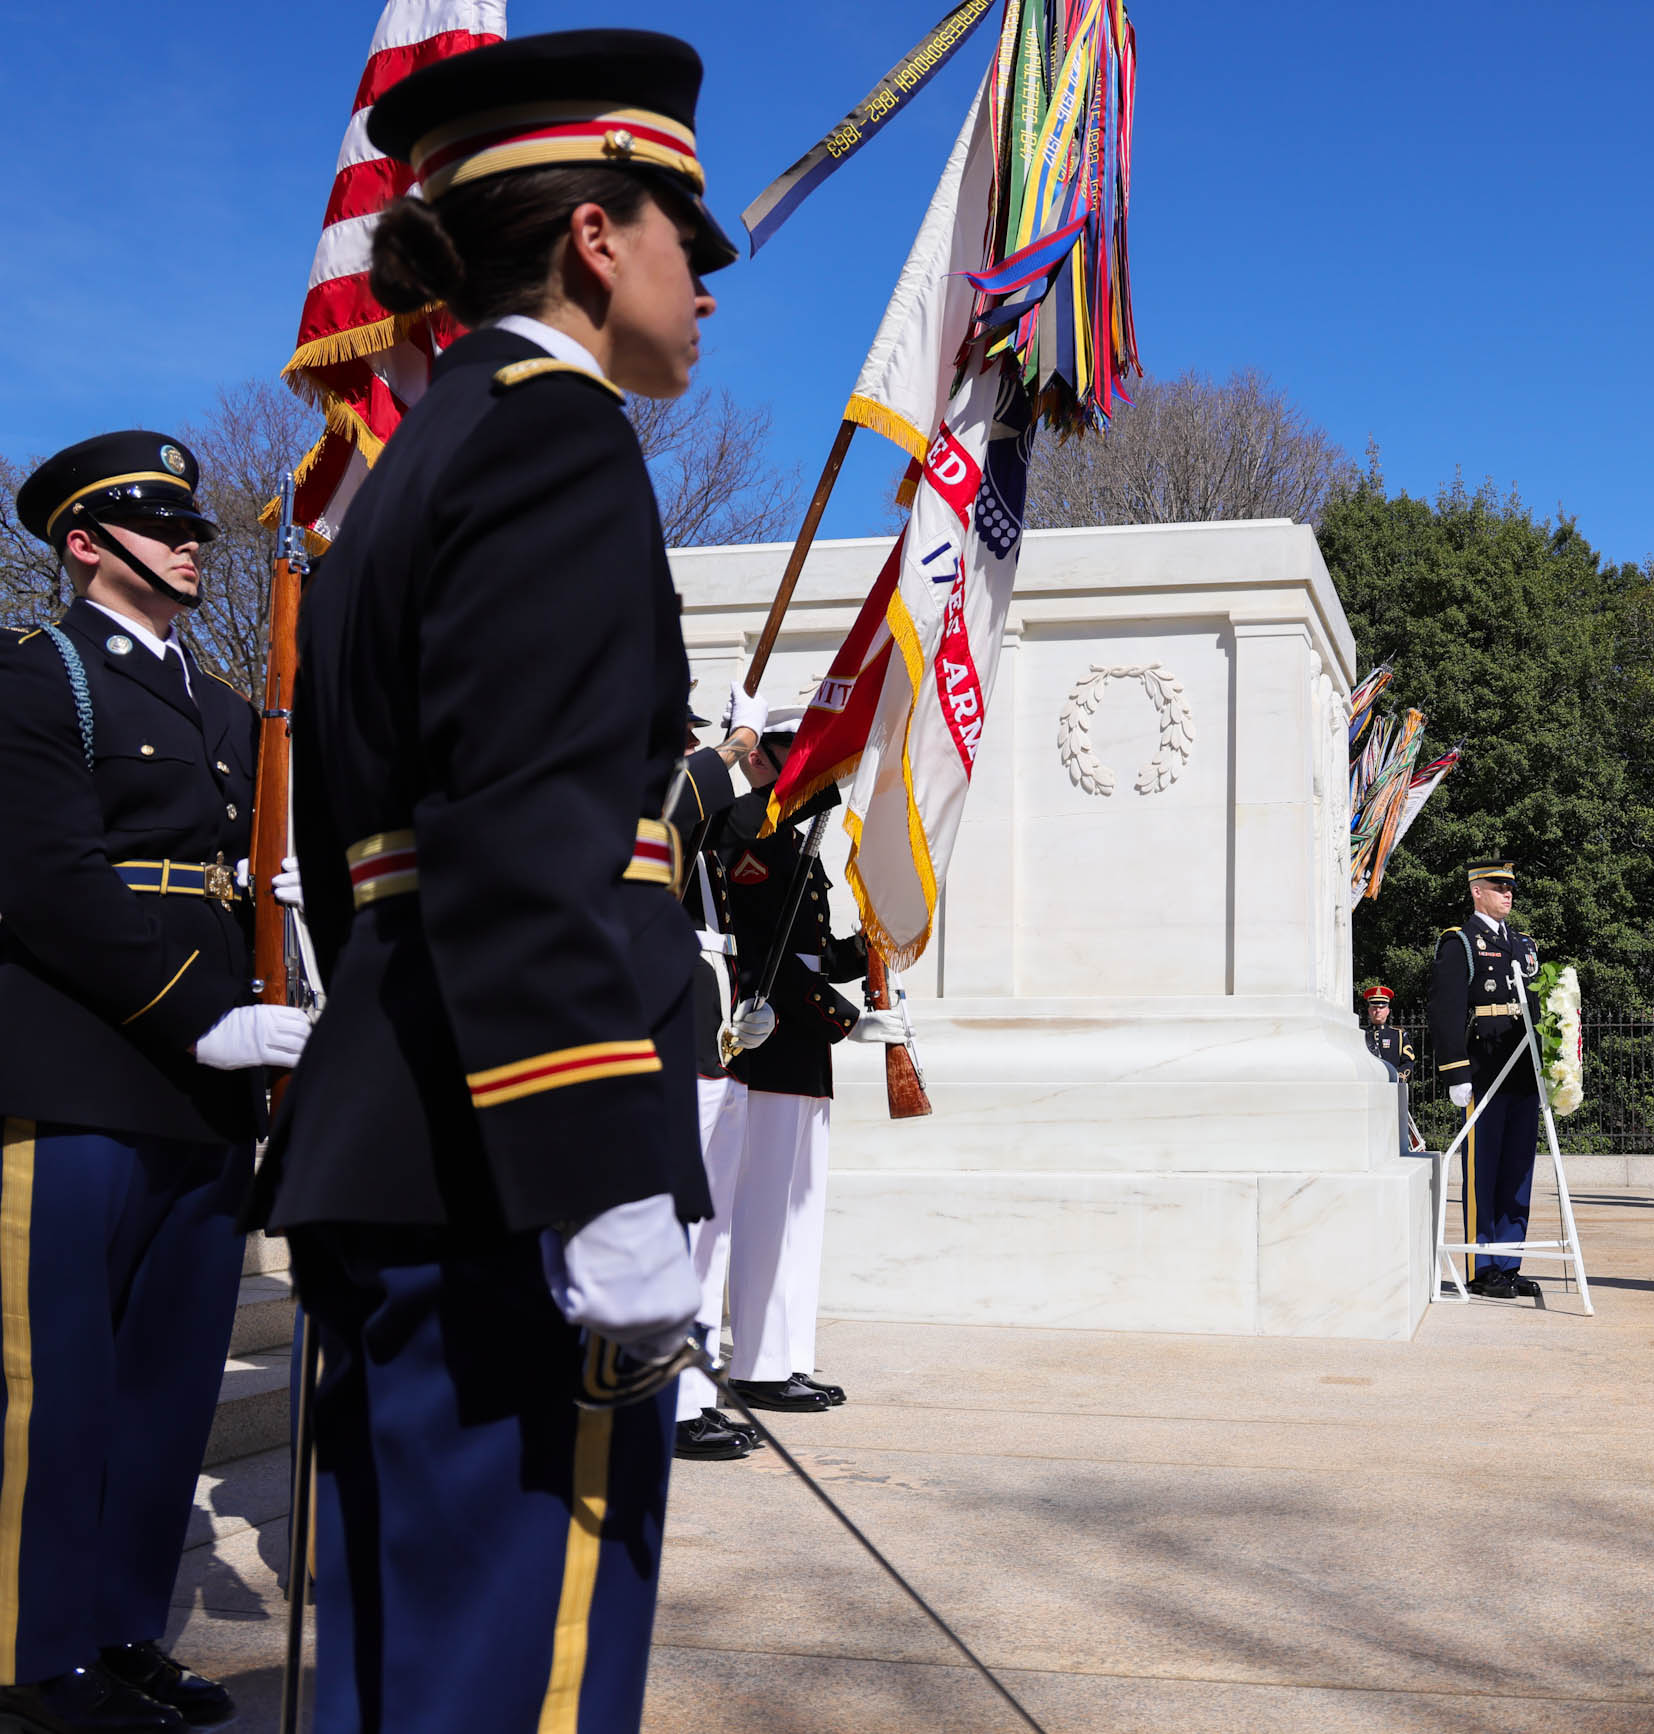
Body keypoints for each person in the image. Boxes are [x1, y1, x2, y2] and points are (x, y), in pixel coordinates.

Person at [252, 30, 743, 1730]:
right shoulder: (555, 441)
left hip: (405, 1133)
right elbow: (522, 839)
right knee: (509, 1682)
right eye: (689, 236)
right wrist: (604, 1168)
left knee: (408, 1660)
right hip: (508, 1172)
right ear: (598, 237)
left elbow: (373, 848)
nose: (709, 280)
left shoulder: (419, 464)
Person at [0, 433, 312, 1730]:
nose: (194, 541)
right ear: (86, 542)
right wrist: (204, 1017)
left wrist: (300, 918)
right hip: (81, 1071)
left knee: (168, 1386)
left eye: (196, 524)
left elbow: (254, 869)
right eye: (161, 522)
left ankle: (125, 1629)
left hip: (201, 1093)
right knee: (56, 1389)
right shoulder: (38, 675)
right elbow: (47, 879)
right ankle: (31, 1661)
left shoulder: (238, 709)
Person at [694, 708, 880, 1415]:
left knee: (800, 1214)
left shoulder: (793, 840)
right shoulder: (746, 831)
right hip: (772, 1046)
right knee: (766, 1212)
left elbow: (811, 952)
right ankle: (758, 1365)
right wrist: (844, 1015)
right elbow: (768, 957)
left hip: (804, 1055)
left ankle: (787, 1357)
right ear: (768, 760)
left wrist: (868, 952)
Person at [669, 688, 769, 1461]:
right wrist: (736, 744)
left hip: (713, 1038)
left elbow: (754, 819)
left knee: (712, 1235)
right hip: (672, 1042)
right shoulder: (648, 809)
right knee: (680, 1235)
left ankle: (693, 1395)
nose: (685, 746)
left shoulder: (696, 843)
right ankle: (667, 1400)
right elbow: (676, 801)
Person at [1429, 859, 1543, 1299]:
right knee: (1483, 1171)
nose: (1507, 893)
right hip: (1485, 1070)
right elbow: (1446, 1011)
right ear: (1477, 891)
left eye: (1510, 887)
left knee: (1518, 1171)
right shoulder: (1460, 942)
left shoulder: (1522, 943)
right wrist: (1456, 1070)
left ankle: (1509, 1264)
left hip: (1522, 1069)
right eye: (1498, 887)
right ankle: (1483, 1268)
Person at [1360, 984, 1424, 1155]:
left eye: (1381, 1007)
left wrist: (1397, 1079)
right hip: (1368, 1091)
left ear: (1388, 1010)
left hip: (1391, 1091)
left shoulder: (1398, 1035)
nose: (1377, 1011)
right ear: (1369, 1010)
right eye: (1374, 1007)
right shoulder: (1359, 1035)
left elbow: (1408, 1061)